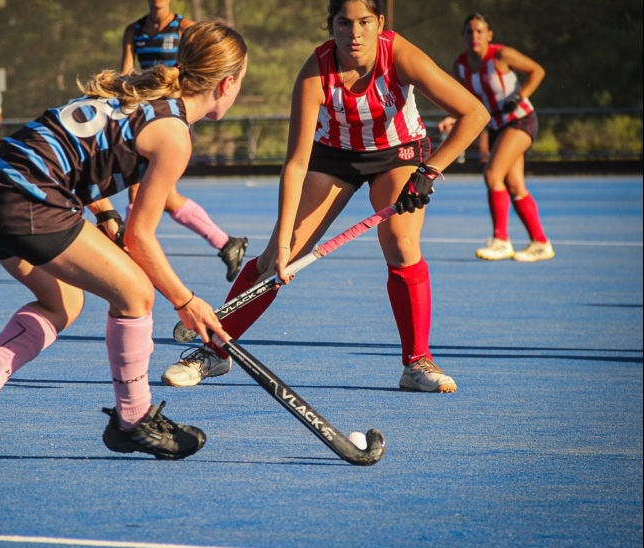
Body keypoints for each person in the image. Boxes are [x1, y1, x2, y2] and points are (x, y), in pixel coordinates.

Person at [0, 20, 248, 465]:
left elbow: (79, 153)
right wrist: (187, 301)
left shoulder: (134, 93)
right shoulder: (174, 133)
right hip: (29, 198)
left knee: (63, 302)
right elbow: (141, 238)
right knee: (135, 293)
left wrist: (105, 216)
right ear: (228, 83)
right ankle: (133, 420)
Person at [160, 0, 489, 392]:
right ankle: (215, 351)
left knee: (402, 244)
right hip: (334, 156)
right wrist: (284, 245)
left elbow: (475, 113)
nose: (355, 33)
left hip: (398, 153)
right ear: (331, 25)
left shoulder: (399, 54)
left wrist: (429, 171)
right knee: (275, 260)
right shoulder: (314, 74)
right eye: (344, 23)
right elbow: (296, 164)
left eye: (364, 22)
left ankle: (417, 362)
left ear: (379, 22)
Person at [116, 0, 248, 282]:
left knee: (138, 188)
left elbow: (200, 69)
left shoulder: (184, 27)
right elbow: (125, 74)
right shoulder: (134, 30)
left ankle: (128, 257)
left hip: (170, 117)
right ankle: (227, 243)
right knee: (166, 197)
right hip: (147, 113)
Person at [438, 13, 553, 263]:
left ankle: (501, 240)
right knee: (515, 186)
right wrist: (453, 118)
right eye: (470, 32)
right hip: (496, 126)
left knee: (492, 175)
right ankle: (540, 242)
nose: (475, 36)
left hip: (520, 120)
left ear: (489, 35)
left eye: (480, 31)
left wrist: (520, 96)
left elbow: (537, 71)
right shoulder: (460, 66)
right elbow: (467, 101)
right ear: (463, 36)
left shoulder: (501, 55)